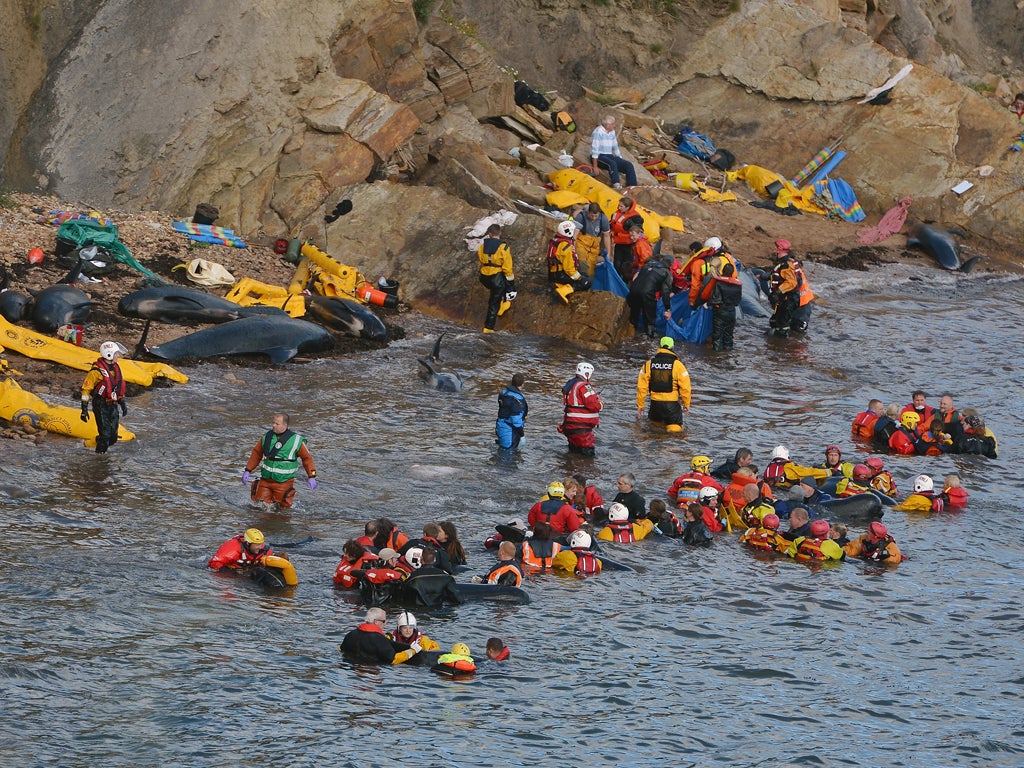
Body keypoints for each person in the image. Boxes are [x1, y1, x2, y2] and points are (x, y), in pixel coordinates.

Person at [242, 412, 317, 509]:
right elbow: (256, 453)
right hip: (265, 480)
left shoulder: (296, 441)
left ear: (285, 425)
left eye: (277, 424)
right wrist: (248, 470)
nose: (273, 425)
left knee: (282, 510)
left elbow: (307, 458)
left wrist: (312, 476)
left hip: (284, 482)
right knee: (259, 507)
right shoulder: (266, 437)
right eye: (273, 423)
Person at [80, 340, 129, 454]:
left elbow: (116, 387)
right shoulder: (96, 371)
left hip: (112, 404)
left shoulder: (116, 368)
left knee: (113, 437)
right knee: (106, 435)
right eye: (117, 354)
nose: (118, 356)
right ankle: (99, 458)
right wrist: (84, 409)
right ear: (109, 354)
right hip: (100, 404)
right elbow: (86, 390)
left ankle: (98, 441)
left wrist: (122, 403)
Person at [636, 336, 691, 431]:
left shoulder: (648, 364)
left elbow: (642, 387)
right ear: (672, 348)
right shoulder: (678, 365)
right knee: (675, 435)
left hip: (655, 406)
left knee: (654, 431)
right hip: (672, 406)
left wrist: (640, 405)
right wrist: (686, 404)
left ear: (660, 347)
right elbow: (685, 387)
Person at [340, 607, 422, 665]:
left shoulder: (350, 634)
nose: (385, 623)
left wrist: (408, 646)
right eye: (384, 621)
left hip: (353, 669)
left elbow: (341, 649)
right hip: (371, 673)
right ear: (376, 622)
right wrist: (412, 651)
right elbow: (393, 660)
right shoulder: (379, 639)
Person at [767, 239, 814, 336]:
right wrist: (767, 276)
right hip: (794, 300)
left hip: (801, 303)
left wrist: (778, 292)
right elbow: (782, 276)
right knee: (777, 322)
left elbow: (791, 282)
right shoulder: (791, 263)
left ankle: (786, 346)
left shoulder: (787, 266)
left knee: (796, 330)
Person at [477, 223, 515, 332]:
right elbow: (507, 268)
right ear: (500, 234)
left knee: (499, 289)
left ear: (489, 234)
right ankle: (488, 327)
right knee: (494, 302)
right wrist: (511, 284)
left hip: (484, 277)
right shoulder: (504, 247)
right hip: (496, 279)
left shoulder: (482, 247)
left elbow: (481, 260)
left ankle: (503, 304)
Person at [560, 362, 602, 455]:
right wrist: (600, 403)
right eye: (591, 375)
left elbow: (577, 401)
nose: (591, 378)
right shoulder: (585, 386)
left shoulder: (570, 384)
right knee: (587, 459)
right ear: (587, 374)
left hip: (570, 426)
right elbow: (594, 405)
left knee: (573, 453)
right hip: (581, 429)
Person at [627, 254, 673, 336]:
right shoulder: (666, 273)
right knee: (650, 319)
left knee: (634, 316)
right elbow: (665, 292)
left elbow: (636, 277)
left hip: (633, 291)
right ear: (671, 265)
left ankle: (630, 335)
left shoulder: (648, 264)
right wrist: (667, 309)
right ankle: (649, 338)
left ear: (661, 260)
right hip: (647, 293)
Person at [589, 114, 637, 191]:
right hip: (599, 156)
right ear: (607, 125)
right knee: (612, 163)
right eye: (612, 124)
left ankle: (633, 187)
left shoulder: (612, 132)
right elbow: (595, 150)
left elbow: (615, 147)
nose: (614, 125)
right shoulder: (598, 132)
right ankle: (616, 185)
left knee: (629, 165)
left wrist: (620, 160)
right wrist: (595, 166)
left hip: (609, 155)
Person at [547, 219, 591, 302]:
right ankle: (564, 290)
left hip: (553, 273)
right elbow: (569, 269)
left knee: (584, 274)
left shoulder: (555, 240)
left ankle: (560, 284)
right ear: (569, 232)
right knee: (586, 282)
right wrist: (580, 278)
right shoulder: (565, 246)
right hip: (560, 275)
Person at [707, 262, 742, 351]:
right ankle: (727, 355)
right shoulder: (738, 285)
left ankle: (717, 358)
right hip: (732, 312)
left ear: (723, 271)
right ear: (732, 272)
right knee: (729, 336)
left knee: (717, 336)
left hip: (720, 311)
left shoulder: (719, 283)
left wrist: (709, 304)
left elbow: (715, 299)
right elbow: (738, 301)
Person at [609, 196, 644, 282]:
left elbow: (638, 231)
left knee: (627, 266)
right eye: (619, 205)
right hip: (619, 243)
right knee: (617, 264)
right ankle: (616, 281)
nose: (619, 208)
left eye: (621, 206)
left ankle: (626, 282)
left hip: (629, 245)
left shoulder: (635, 218)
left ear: (627, 207)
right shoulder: (616, 214)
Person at [573, 202, 612, 277]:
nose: (593, 218)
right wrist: (573, 248)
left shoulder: (603, 219)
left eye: (596, 216)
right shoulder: (581, 217)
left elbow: (606, 236)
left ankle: (587, 284)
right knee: (582, 262)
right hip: (581, 243)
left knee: (591, 268)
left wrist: (608, 253)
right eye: (591, 215)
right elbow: (575, 234)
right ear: (588, 212)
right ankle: (579, 280)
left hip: (594, 245)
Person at [208, 527, 273, 570]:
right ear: (248, 543)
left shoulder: (264, 550)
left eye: (261, 544)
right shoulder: (233, 550)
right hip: (233, 571)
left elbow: (271, 558)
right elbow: (214, 562)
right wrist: (225, 572)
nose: (260, 547)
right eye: (257, 545)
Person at [494, 372, 528, 451]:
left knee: (502, 450)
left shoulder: (504, 393)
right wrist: (522, 435)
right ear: (522, 384)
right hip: (510, 432)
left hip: (500, 426)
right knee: (508, 455)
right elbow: (515, 420)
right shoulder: (517, 400)